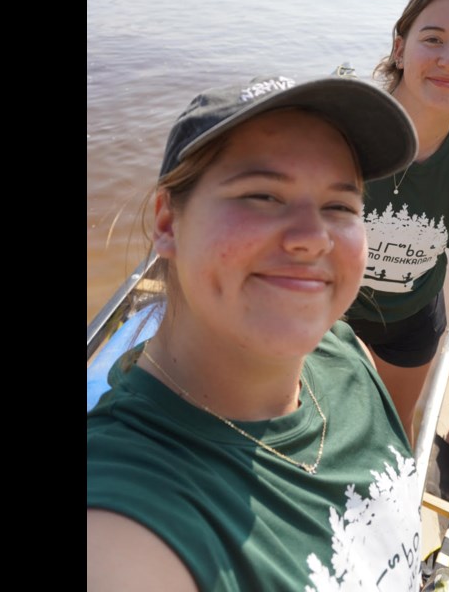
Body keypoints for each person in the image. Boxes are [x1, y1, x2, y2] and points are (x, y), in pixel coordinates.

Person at [87, 74, 424, 592]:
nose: (312, 238)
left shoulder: (348, 355)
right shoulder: (128, 514)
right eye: (263, 195)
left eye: (340, 206)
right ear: (167, 223)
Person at [346, 0, 449, 443]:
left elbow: (445, 244)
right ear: (400, 48)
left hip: (411, 323)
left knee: (394, 433)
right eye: (432, 39)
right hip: (327, 312)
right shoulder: (341, 133)